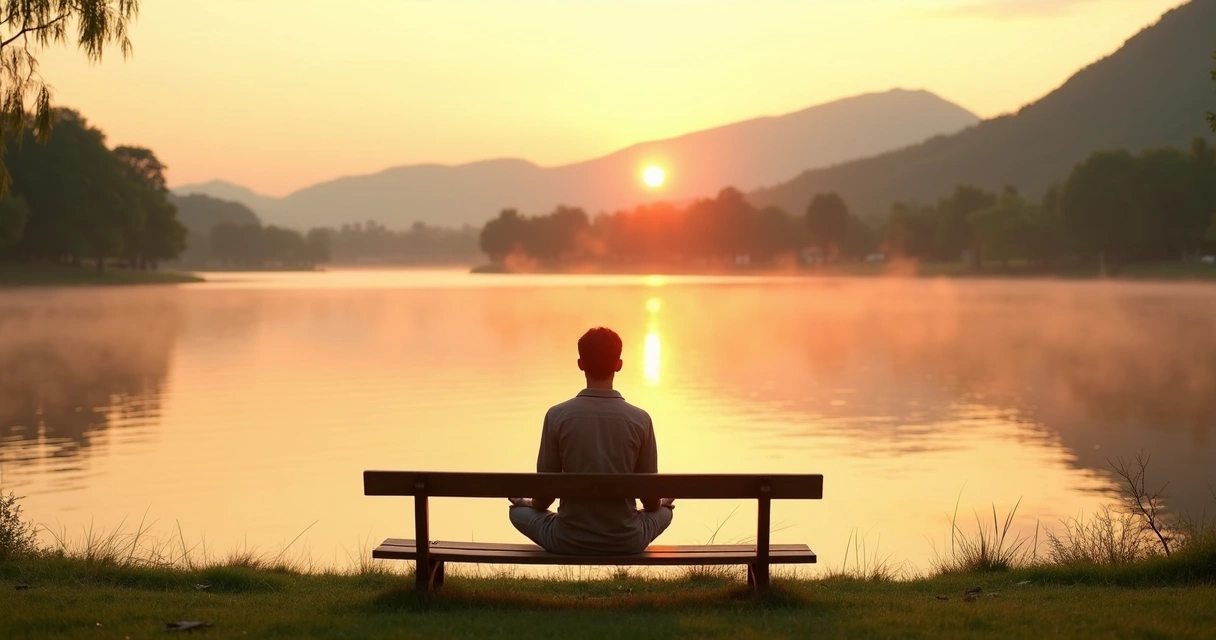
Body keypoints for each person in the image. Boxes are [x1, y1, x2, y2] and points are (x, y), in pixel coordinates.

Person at [508, 327, 675, 555]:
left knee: (516, 512)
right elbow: (650, 498)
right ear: (619, 365)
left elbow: (544, 495)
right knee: (665, 512)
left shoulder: (556, 416)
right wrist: (660, 504)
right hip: (627, 540)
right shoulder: (640, 420)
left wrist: (528, 503)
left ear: (580, 364)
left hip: (567, 539)